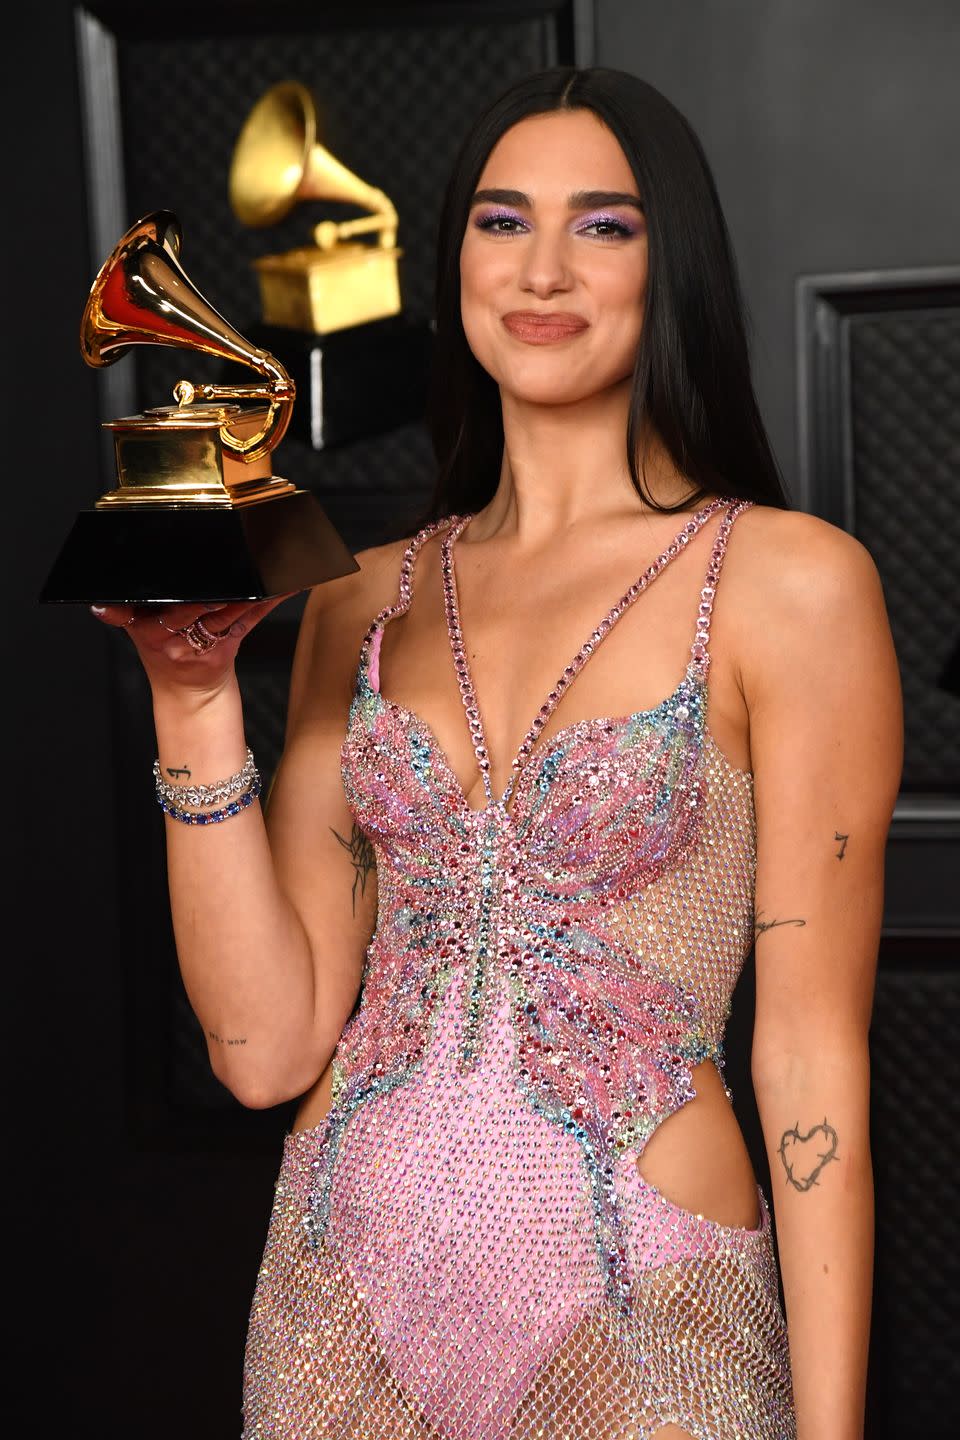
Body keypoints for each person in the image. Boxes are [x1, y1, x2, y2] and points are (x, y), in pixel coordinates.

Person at [92, 66, 902, 1440]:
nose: (541, 268)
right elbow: (262, 1043)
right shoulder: (362, 594)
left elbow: (812, 1058)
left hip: (648, 1309)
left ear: (673, 263)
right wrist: (190, 698)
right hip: (339, 1312)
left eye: (603, 224)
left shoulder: (789, 584)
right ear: (453, 259)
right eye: (499, 219)